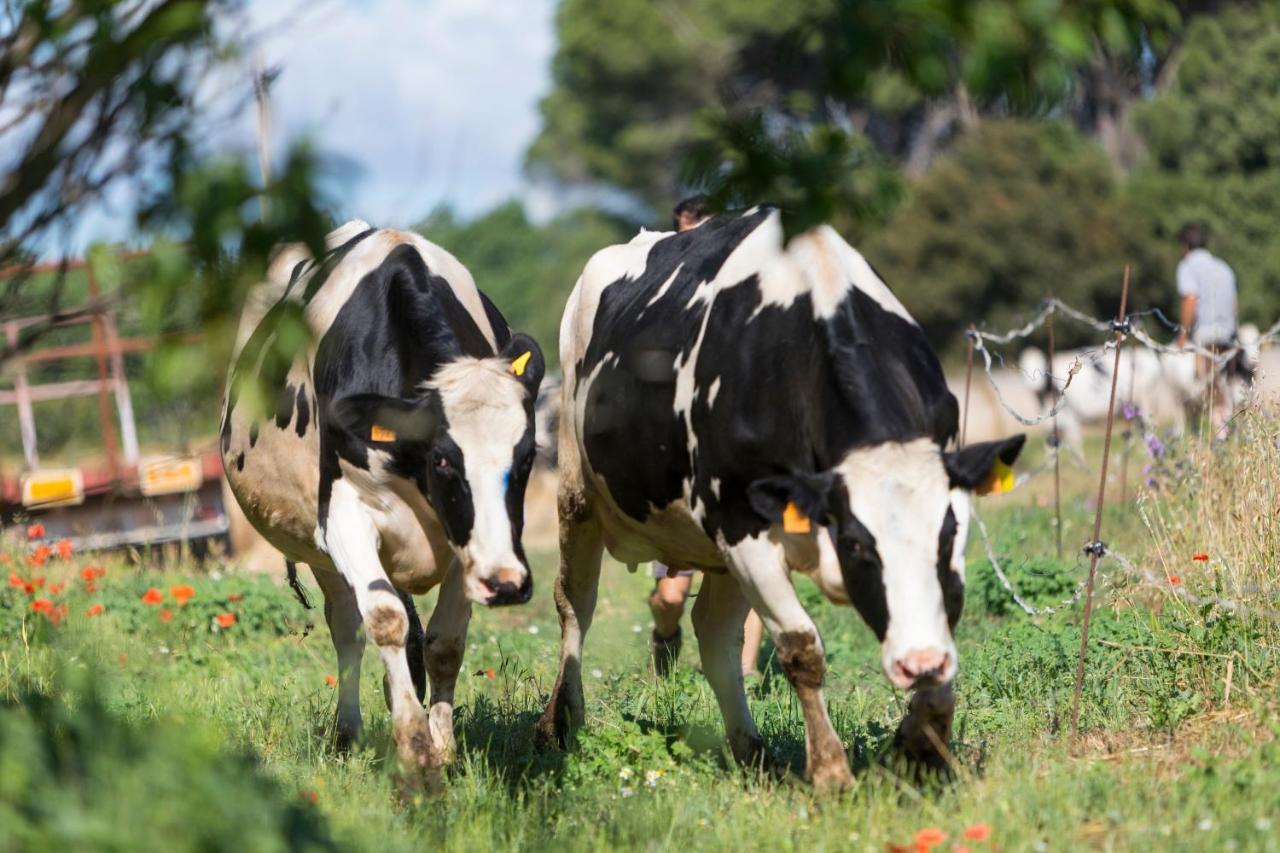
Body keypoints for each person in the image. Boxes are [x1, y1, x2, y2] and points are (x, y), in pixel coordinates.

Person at [649, 195, 765, 679]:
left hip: (739, 463)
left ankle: (745, 676)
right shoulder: (663, 304)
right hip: (677, 469)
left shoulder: (751, 300)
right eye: (685, 239)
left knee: (757, 574)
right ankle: (665, 635)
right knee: (670, 597)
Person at [1175, 222, 1238, 436]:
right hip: (1229, 334)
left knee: (1210, 386)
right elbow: (1233, 302)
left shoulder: (1188, 266)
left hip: (1206, 335)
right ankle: (1230, 430)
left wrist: (1183, 334)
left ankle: (1221, 436)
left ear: (1185, 246)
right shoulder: (1223, 267)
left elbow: (1190, 299)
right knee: (1226, 384)